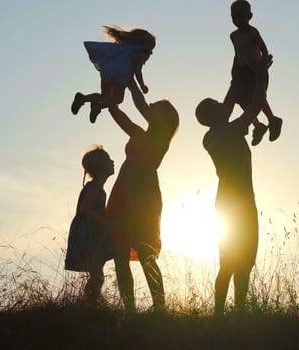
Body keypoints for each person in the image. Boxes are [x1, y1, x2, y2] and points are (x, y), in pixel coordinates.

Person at [195, 54, 270, 315]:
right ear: (213, 114)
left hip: (229, 200)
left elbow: (229, 101)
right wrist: (261, 75)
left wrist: (235, 79)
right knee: (237, 262)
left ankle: (225, 315)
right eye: (218, 105)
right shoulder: (230, 129)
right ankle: (234, 313)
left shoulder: (212, 135)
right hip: (238, 201)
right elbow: (257, 103)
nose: (223, 105)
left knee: (233, 263)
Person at [106, 79, 179, 313]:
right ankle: (130, 310)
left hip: (143, 197)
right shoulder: (139, 134)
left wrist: (128, 81)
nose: (150, 105)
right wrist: (110, 101)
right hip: (123, 192)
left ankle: (160, 307)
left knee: (146, 252)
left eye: (155, 106)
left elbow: (139, 105)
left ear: (164, 117)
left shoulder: (162, 136)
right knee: (120, 253)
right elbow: (121, 117)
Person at [225, 0, 282, 146]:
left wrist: (262, 67)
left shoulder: (252, 32)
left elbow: (264, 49)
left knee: (258, 98)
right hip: (243, 71)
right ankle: (258, 126)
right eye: (234, 17)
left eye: (241, 17)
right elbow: (237, 54)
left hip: (256, 69)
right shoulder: (233, 36)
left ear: (249, 16)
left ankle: (272, 120)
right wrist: (234, 68)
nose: (237, 20)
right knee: (242, 99)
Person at [71, 26, 156, 123]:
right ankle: (98, 106)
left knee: (104, 96)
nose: (151, 52)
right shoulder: (139, 53)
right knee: (118, 99)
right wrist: (142, 85)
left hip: (107, 72)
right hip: (120, 76)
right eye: (151, 48)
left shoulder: (125, 47)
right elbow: (137, 71)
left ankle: (83, 98)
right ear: (145, 44)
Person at [64, 146, 115, 306]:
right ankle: (88, 305)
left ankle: (89, 304)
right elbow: (85, 209)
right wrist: (105, 222)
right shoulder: (94, 187)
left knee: (97, 273)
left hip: (90, 232)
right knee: (96, 274)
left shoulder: (97, 187)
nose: (113, 162)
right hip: (88, 233)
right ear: (101, 167)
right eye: (108, 160)